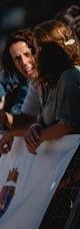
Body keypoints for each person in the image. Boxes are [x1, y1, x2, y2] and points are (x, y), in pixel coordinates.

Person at [23, 20, 80, 155]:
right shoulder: (48, 82)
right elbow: (45, 120)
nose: (32, 57)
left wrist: (38, 138)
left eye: (34, 50)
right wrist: (35, 128)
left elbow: (66, 125)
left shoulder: (70, 76)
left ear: (45, 52)